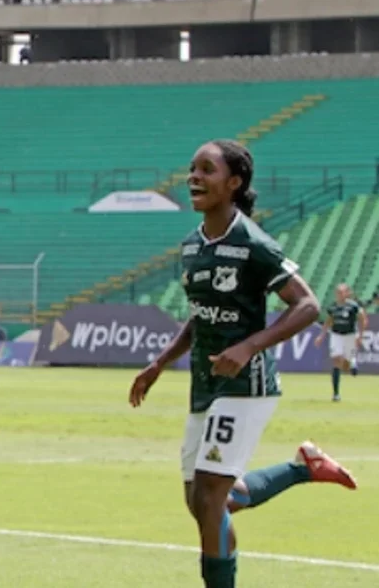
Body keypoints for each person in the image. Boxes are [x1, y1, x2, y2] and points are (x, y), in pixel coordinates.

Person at [128, 139, 356, 588]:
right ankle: (301, 467)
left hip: (246, 385)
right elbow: (200, 316)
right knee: (201, 502)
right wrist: (158, 364)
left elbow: (307, 305)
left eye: (207, 170)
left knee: (212, 500)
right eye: (192, 168)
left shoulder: (253, 243)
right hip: (205, 382)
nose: (194, 176)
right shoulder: (192, 247)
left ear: (234, 183)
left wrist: (250, 347)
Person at [314, 282, 365, 402]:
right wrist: (321, 335)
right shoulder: (333, 307)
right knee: (336, 361)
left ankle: (352, 362)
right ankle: (336, 394)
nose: (339, 295)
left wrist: (361, 335)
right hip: (336, 335)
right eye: (338, 292)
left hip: (350, 335)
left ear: (347, 293)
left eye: (342, 292)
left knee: (345, 364)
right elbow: (329, 321)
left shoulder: (353, 306)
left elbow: (362, 318)